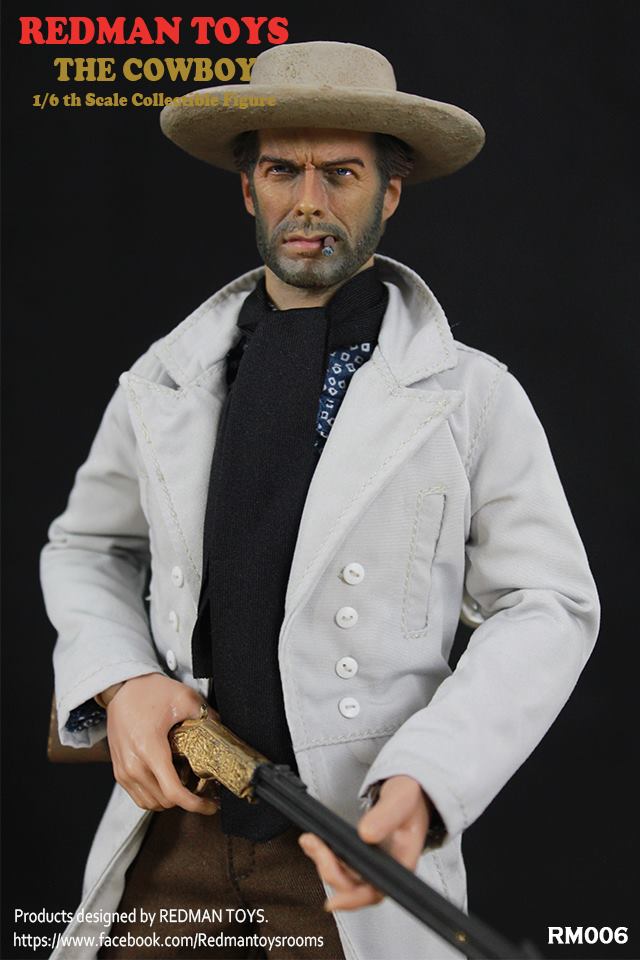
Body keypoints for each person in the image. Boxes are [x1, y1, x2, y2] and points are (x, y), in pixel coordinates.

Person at [41, 40, 599, 960]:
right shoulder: (168, 379)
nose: (308, 201)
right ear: (247, 189)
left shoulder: (470, 396)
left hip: (346, 839)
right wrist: (123, 678)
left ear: (390, 192)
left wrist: (430, 776)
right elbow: (88, 546)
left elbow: (547, 603)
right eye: (281, 170)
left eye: (341, 173)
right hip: (175, 829)